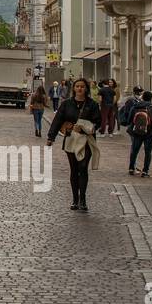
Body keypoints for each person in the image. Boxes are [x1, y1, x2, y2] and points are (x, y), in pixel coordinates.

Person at [46, 77, 101, 212]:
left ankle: (83, 199)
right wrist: (51, 137)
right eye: (77, 86)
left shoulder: (92, 104)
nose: (80, 89)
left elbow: (98, 121)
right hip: (71, 139)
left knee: (83, 168)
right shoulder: (67, 104)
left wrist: (86, 127)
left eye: (82, 86)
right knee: (74, 169)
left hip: (86, 139)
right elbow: (58, 120)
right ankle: (75, 200)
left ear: (86, 89)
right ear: (74, 89)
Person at [126, 90, 152, 177]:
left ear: (143, 97)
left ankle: (131, 168)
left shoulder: (135, 106)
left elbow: (129, 119)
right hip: (149, 133)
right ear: (151, 98)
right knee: (148, 152)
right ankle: (145, 171)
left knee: (134, 150)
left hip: (137, 132)